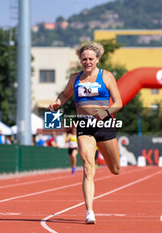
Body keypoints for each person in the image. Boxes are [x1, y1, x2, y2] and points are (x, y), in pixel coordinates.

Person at [49, 41, 122, 224]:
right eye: (84, 59)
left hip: (104, 126)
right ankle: (89, 211)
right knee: (88, 169)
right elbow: (65, 94)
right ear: (80, 60)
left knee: (115, 169)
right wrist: (58, 102)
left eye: (90, 58)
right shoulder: (75, 78)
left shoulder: (106, 76)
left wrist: (105, 112)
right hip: (84, 126)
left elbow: (118, 103)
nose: (87, 62)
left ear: (97, 59)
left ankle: (112, 167)